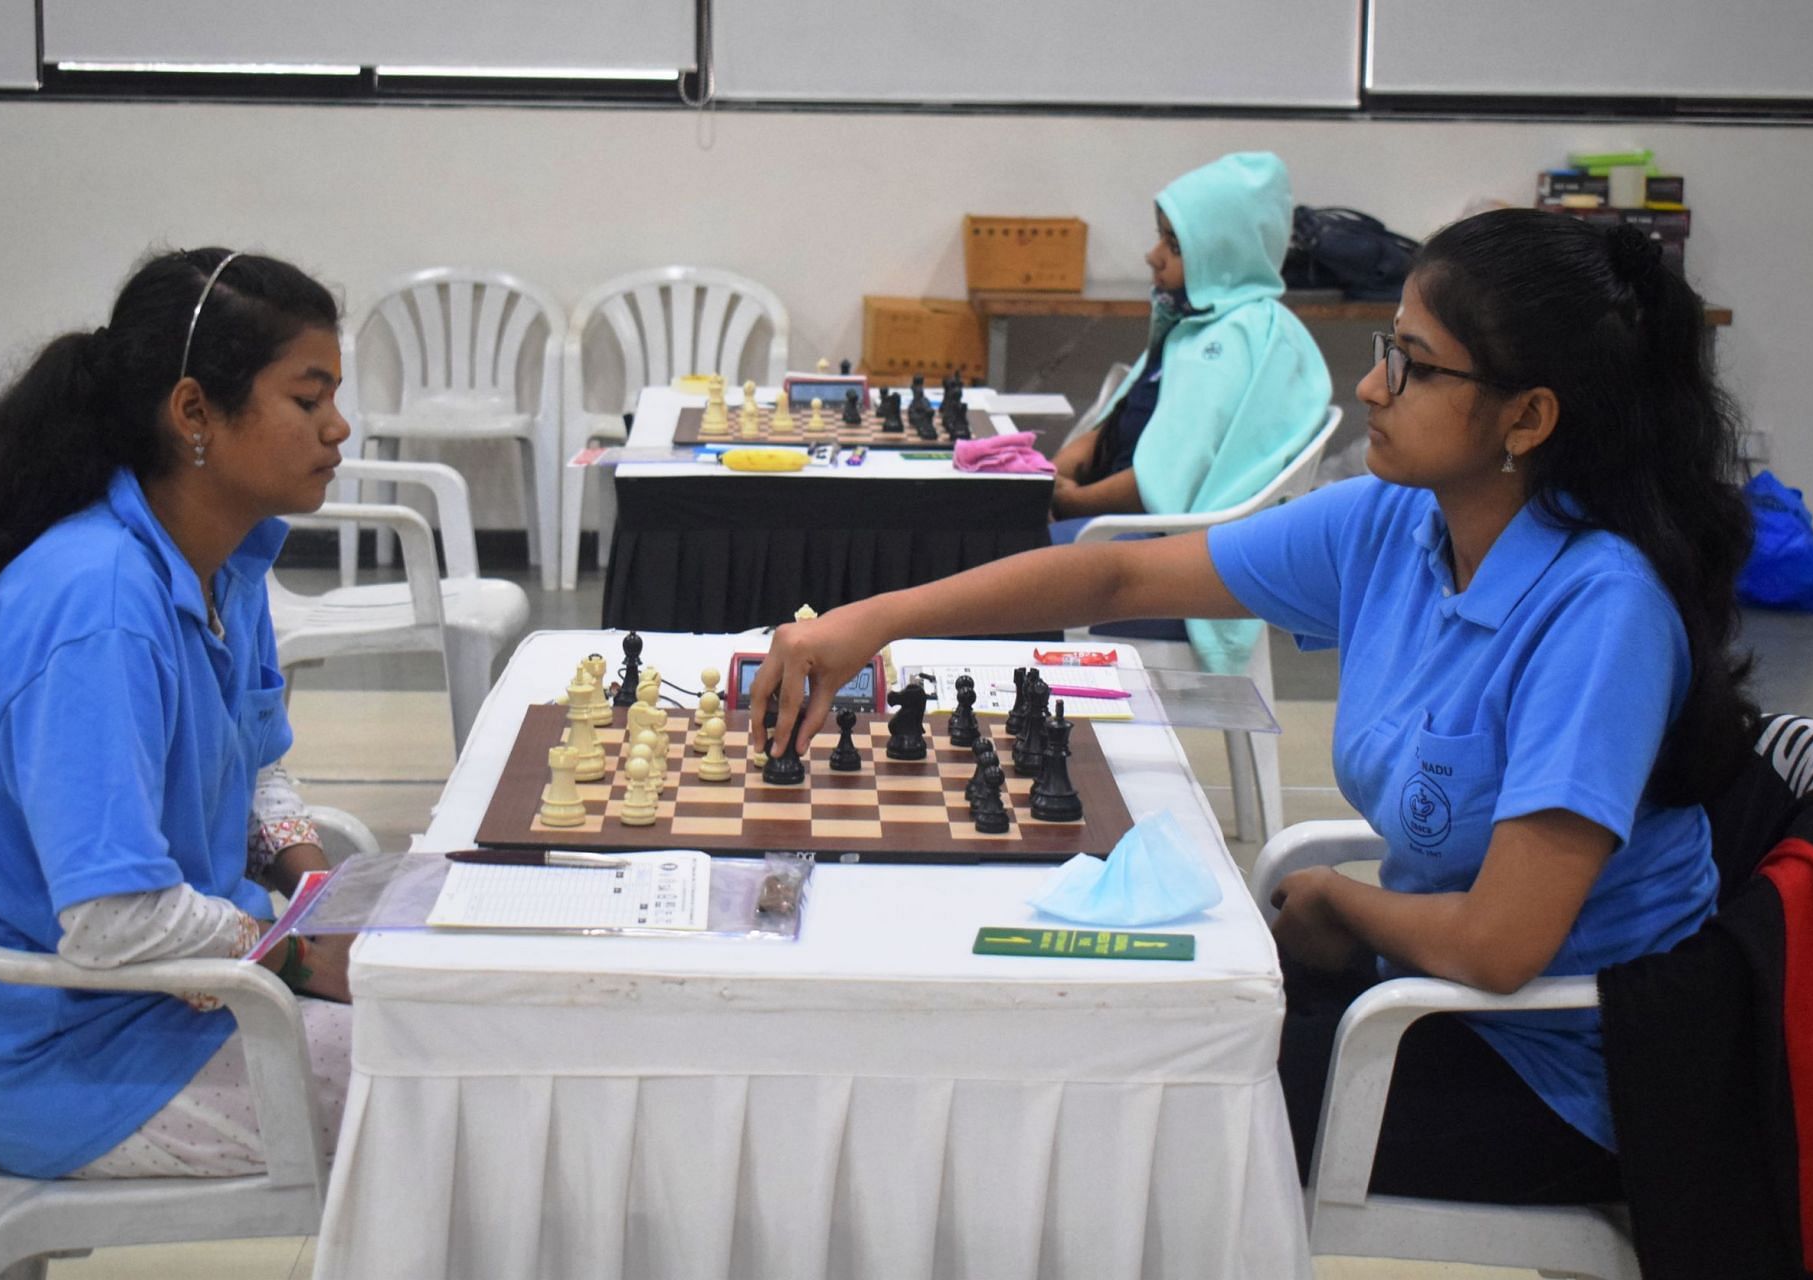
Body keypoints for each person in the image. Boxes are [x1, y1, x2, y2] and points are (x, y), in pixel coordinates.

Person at [751, 209, 1754, 1203]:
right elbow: (1118, 583)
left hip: (1568, 1071)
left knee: (1120, 1108)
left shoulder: (1601, 612)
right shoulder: (1400, 521)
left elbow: (1501, 944)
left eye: (1411, 362)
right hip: (1415, 992)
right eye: (1384, 348)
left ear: (1527, 418)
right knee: (1092, 1039)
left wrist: (1337, 904)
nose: (1369, 385)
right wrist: (873, 621)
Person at [0, 248, 358, 1179]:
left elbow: (255, 760)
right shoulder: (96, 605)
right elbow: (116, 919)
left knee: (469, 1031)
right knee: (463, 1082)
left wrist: (318, 891)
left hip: (176, 1004)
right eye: (307, 401)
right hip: (79, 1062)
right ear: (194, 412)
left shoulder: (227, 558)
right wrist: (303, 960)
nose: (338, 428)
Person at [1050, 151, 1332, 672]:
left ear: (1223, 252)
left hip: (1163, 545)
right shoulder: (1195, 323)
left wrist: (1072, 503)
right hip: (1121, 524)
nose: (1152, 256)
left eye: (1174, 245)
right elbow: (1124, 415)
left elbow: (1165, 482)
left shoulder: (1235, 339)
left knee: (999, 561)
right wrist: (1062, 470)